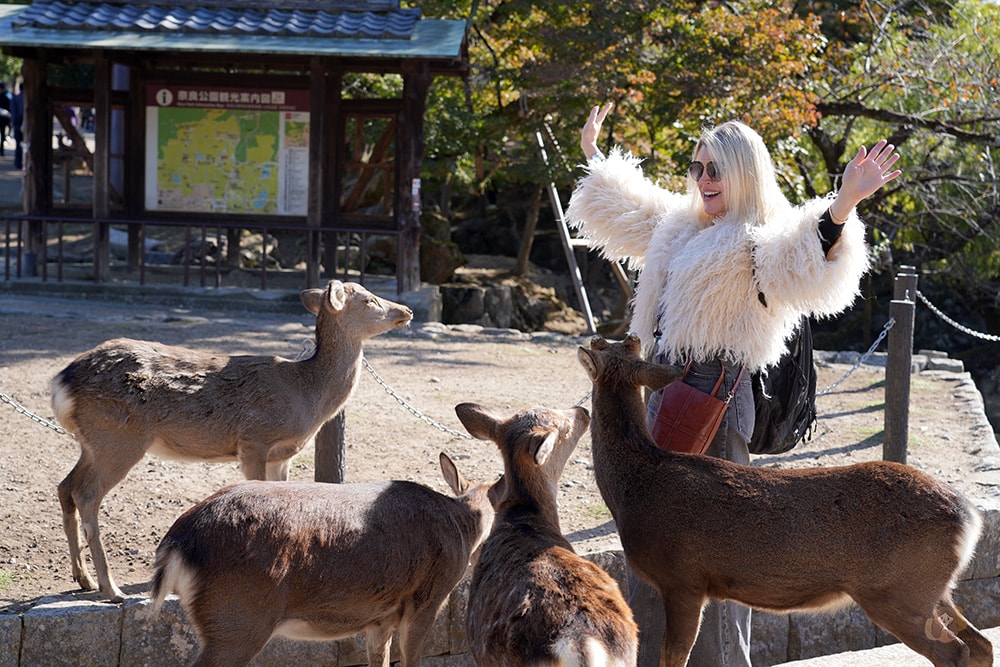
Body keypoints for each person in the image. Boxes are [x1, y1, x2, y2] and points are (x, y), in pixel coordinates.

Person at [564, 102, 901, 667]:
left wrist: (845, 202)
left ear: (745, 172)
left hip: (716, 399)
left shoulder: (756, 241)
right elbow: (629, 206)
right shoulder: (681, 224)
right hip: (665, 394)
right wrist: (596, 155)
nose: (703, 180)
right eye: (697, 168)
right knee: (657, 546)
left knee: (720, 557)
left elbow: (806, 252)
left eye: (715, 169)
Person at [11, 82, 23, 170]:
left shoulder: (15, 98)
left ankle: (18, 161)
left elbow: (13, 113)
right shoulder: (29, 99)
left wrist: (14, 123)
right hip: (27, 124)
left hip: (18, 124)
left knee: (18, 144)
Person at [0, 82, 11, 158]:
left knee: (2, 135)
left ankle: (1, 149)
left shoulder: (6, 98)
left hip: (3, 120)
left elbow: (9, 109)